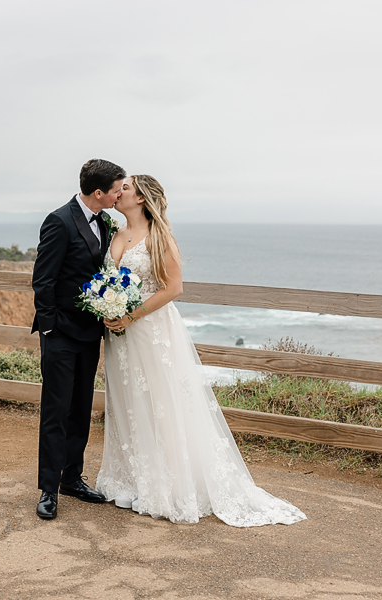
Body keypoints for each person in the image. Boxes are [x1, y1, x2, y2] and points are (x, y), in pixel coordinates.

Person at [97, 175, 307, 526]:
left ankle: (168, 484)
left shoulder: (159, 237)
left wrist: (131, 315)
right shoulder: (116, 234)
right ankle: (134, 478)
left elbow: (174, 287)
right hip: (120, 336)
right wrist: (108, 308)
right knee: (129, 402)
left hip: (150, 330)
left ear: (142, 199)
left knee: (161, 403)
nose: (119, 193)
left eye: (126, 189)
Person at [31, 158, 125, 520]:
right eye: (117, 189)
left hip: (90, 334)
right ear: (99, 192)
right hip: (61, 335)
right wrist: (52, 328)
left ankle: (72, 478)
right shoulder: (59, 220)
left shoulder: (106, 221)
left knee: (81, 409)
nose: (120, 194)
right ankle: (48, 489)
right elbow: (43, 280)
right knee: (56, 411)